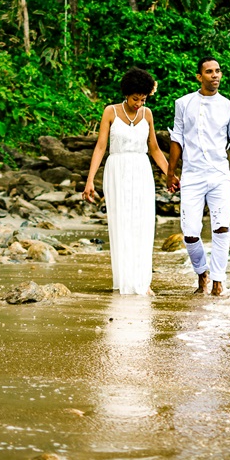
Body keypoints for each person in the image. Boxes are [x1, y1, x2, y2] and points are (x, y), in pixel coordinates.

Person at [166, 56, 230, 296]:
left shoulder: (229, 107)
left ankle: (218, 280)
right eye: (209, 72)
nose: (214, 75)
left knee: (222, 228)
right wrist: (170, 173)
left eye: (217, 71)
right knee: (190, 232)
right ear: (199, 76)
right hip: (192, 176)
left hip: (219, 176)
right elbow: (177, 139)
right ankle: (202, 272)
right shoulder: (183, 103)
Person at [83, 68, 170, 295]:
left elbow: (154, 149)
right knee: (121, 223)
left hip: (141, 170)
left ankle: (143, 281)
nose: (138, 104)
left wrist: (171, 174)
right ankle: (124, 280)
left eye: (142, 99)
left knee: (142, 224)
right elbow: (101, 147)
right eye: (135, 99)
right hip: (117, 170)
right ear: (126, 94)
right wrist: (90, 179)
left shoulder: (148, 114)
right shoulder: (110, 112)